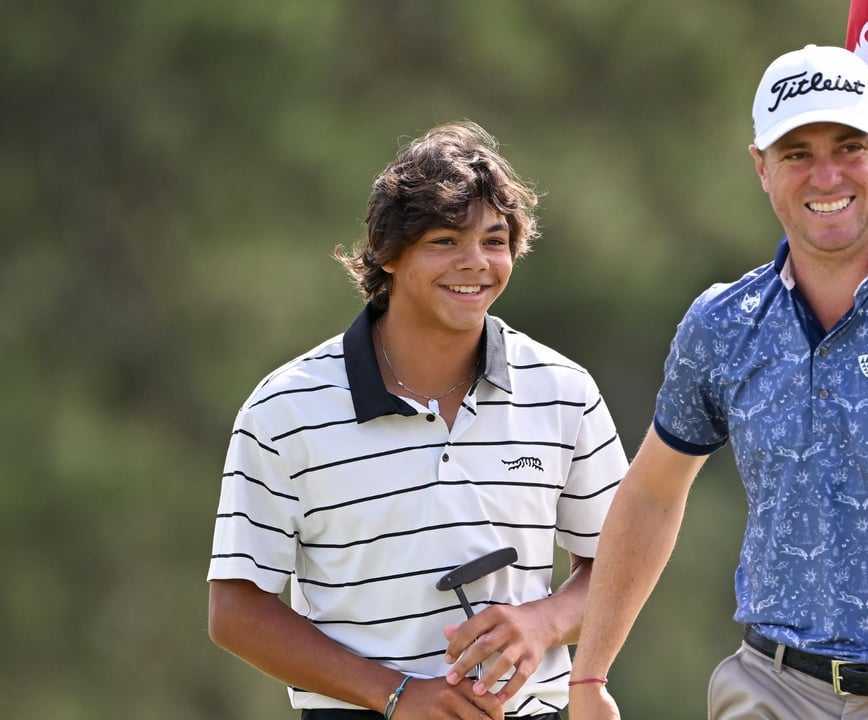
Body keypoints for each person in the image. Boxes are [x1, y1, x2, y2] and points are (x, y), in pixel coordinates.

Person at [569, 45, 868, 720]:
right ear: (761, 168)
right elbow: (650, 493)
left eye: (849, 146)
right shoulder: (724, 321)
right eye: (797, 154)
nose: (827, 175)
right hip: (769, 688)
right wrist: (588, 675)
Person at [207, 120, 627, 720]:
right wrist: (393, 694)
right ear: (387, 253)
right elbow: (236, 611)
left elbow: (618, 567)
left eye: (494, 240)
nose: (475, 264)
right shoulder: (285, 409)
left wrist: (542, 622)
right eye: (444, 241)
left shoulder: (563, 391)